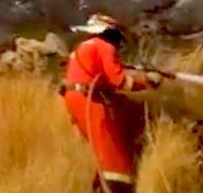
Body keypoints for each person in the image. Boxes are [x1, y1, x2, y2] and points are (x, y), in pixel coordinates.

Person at [62, 13, 164, 193]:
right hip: (90, 101)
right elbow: (120, 81)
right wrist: (148, 81)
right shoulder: (104, 46)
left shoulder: (83, 47)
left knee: (102, 150)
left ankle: (98, 186)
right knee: (114, 159)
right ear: (109, 33)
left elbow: (102, 77)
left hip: (74, 99)